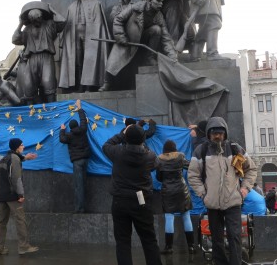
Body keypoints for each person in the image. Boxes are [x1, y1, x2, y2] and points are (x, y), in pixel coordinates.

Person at [187, 117, 257, 265]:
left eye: (220, 133)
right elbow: (193, 175)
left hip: (233, 201)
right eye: (214, 133)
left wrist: (244, 189)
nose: (217, 136)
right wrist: (203, 194)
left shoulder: (235, 148)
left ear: (225, 133)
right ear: (208, 134)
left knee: (235, 237)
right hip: (212, 203)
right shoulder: (201, 151)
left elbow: (251, 169)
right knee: (217, 240)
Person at [102, 125, 162, 265]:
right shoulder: (150, 156)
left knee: (123, 242)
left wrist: (122, 133)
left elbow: (106, 145)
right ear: (143, 139)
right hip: (141, 201)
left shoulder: (117, 152)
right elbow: (156, 164)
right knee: (149, 240)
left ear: (125, 138)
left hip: (120, 201)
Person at [100, 0, 177, 91]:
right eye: (158, 1)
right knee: (114, 60)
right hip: (128, 38)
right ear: (149, 1)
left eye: (162, 1)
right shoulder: (135, 8)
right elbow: (118, 19)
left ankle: (149, 58)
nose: (161, 4)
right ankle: (107, 83)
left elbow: (166, 37)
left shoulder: (159, 16)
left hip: (142, 38)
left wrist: (172, 56)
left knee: (157, 29)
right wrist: (120, 36)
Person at [59, 0, 110, 93]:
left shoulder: (96, 3)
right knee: (78, 61)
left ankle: (88, 87)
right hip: (74, 37)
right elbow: (67, 25)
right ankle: (80, 86)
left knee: (90, 60)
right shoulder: (71, 6)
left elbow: (99, 24)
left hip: (91, 36)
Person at [12, 2, 65, 104]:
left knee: (48, 82)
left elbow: (62, 22)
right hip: (31, 59)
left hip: (46, 57)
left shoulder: (49, 25)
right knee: (28, 85)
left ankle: (52, 108)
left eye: (37, 19)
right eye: (33, 20)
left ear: (41, 17)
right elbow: (14, 39)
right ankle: (29, 111)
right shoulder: (27, 29)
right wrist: (20, 24)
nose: (36, 22)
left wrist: (53, 11)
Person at [0, 138, 39, 256]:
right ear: (17, 147)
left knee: (1, 222)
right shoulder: (14, 159)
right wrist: (20, 194)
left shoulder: (5, 158)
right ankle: (23, 246)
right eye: (22, 145)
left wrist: (25, 158)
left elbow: (8, 168)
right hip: (13, 195)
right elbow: (16, 178)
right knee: (20, 220)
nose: (23, 147)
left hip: (2, 195)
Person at [156, 140, 194, 255]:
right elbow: (190, 166)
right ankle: (191, 246)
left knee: (169, 217)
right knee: (186, 216)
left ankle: (169, 247)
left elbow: (159, 177)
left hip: (168, 191)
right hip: (182, 190)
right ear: (175, 148)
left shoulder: (159, 159)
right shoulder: (180, 157)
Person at [59, 99, 91, 213]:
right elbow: (83, 119)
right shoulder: (83, 129)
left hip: (77, 162)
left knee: (79, 186)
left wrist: (62, 130)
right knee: (84, 183)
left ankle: (79, 209)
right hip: (86, 159)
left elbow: (62, 139)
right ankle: (83, 207)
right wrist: (79, 107)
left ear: (70, 128)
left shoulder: (69, 135)